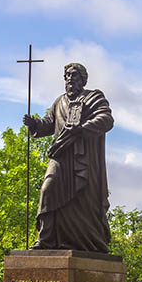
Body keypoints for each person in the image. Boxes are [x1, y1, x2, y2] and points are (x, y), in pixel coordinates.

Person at [22, 62, 115, 253]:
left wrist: (82, 129)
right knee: (48, 188)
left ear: (83, 79)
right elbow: (48, 124)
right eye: (67, 76)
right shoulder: (60, 101)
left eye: (74, 75)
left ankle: (87, 241)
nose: (69, 79)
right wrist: (34, 124)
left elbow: (106, 119)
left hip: (83, 159)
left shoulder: (93, 97)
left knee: (82, 201)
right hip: (61, 154)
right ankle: (46, 238)